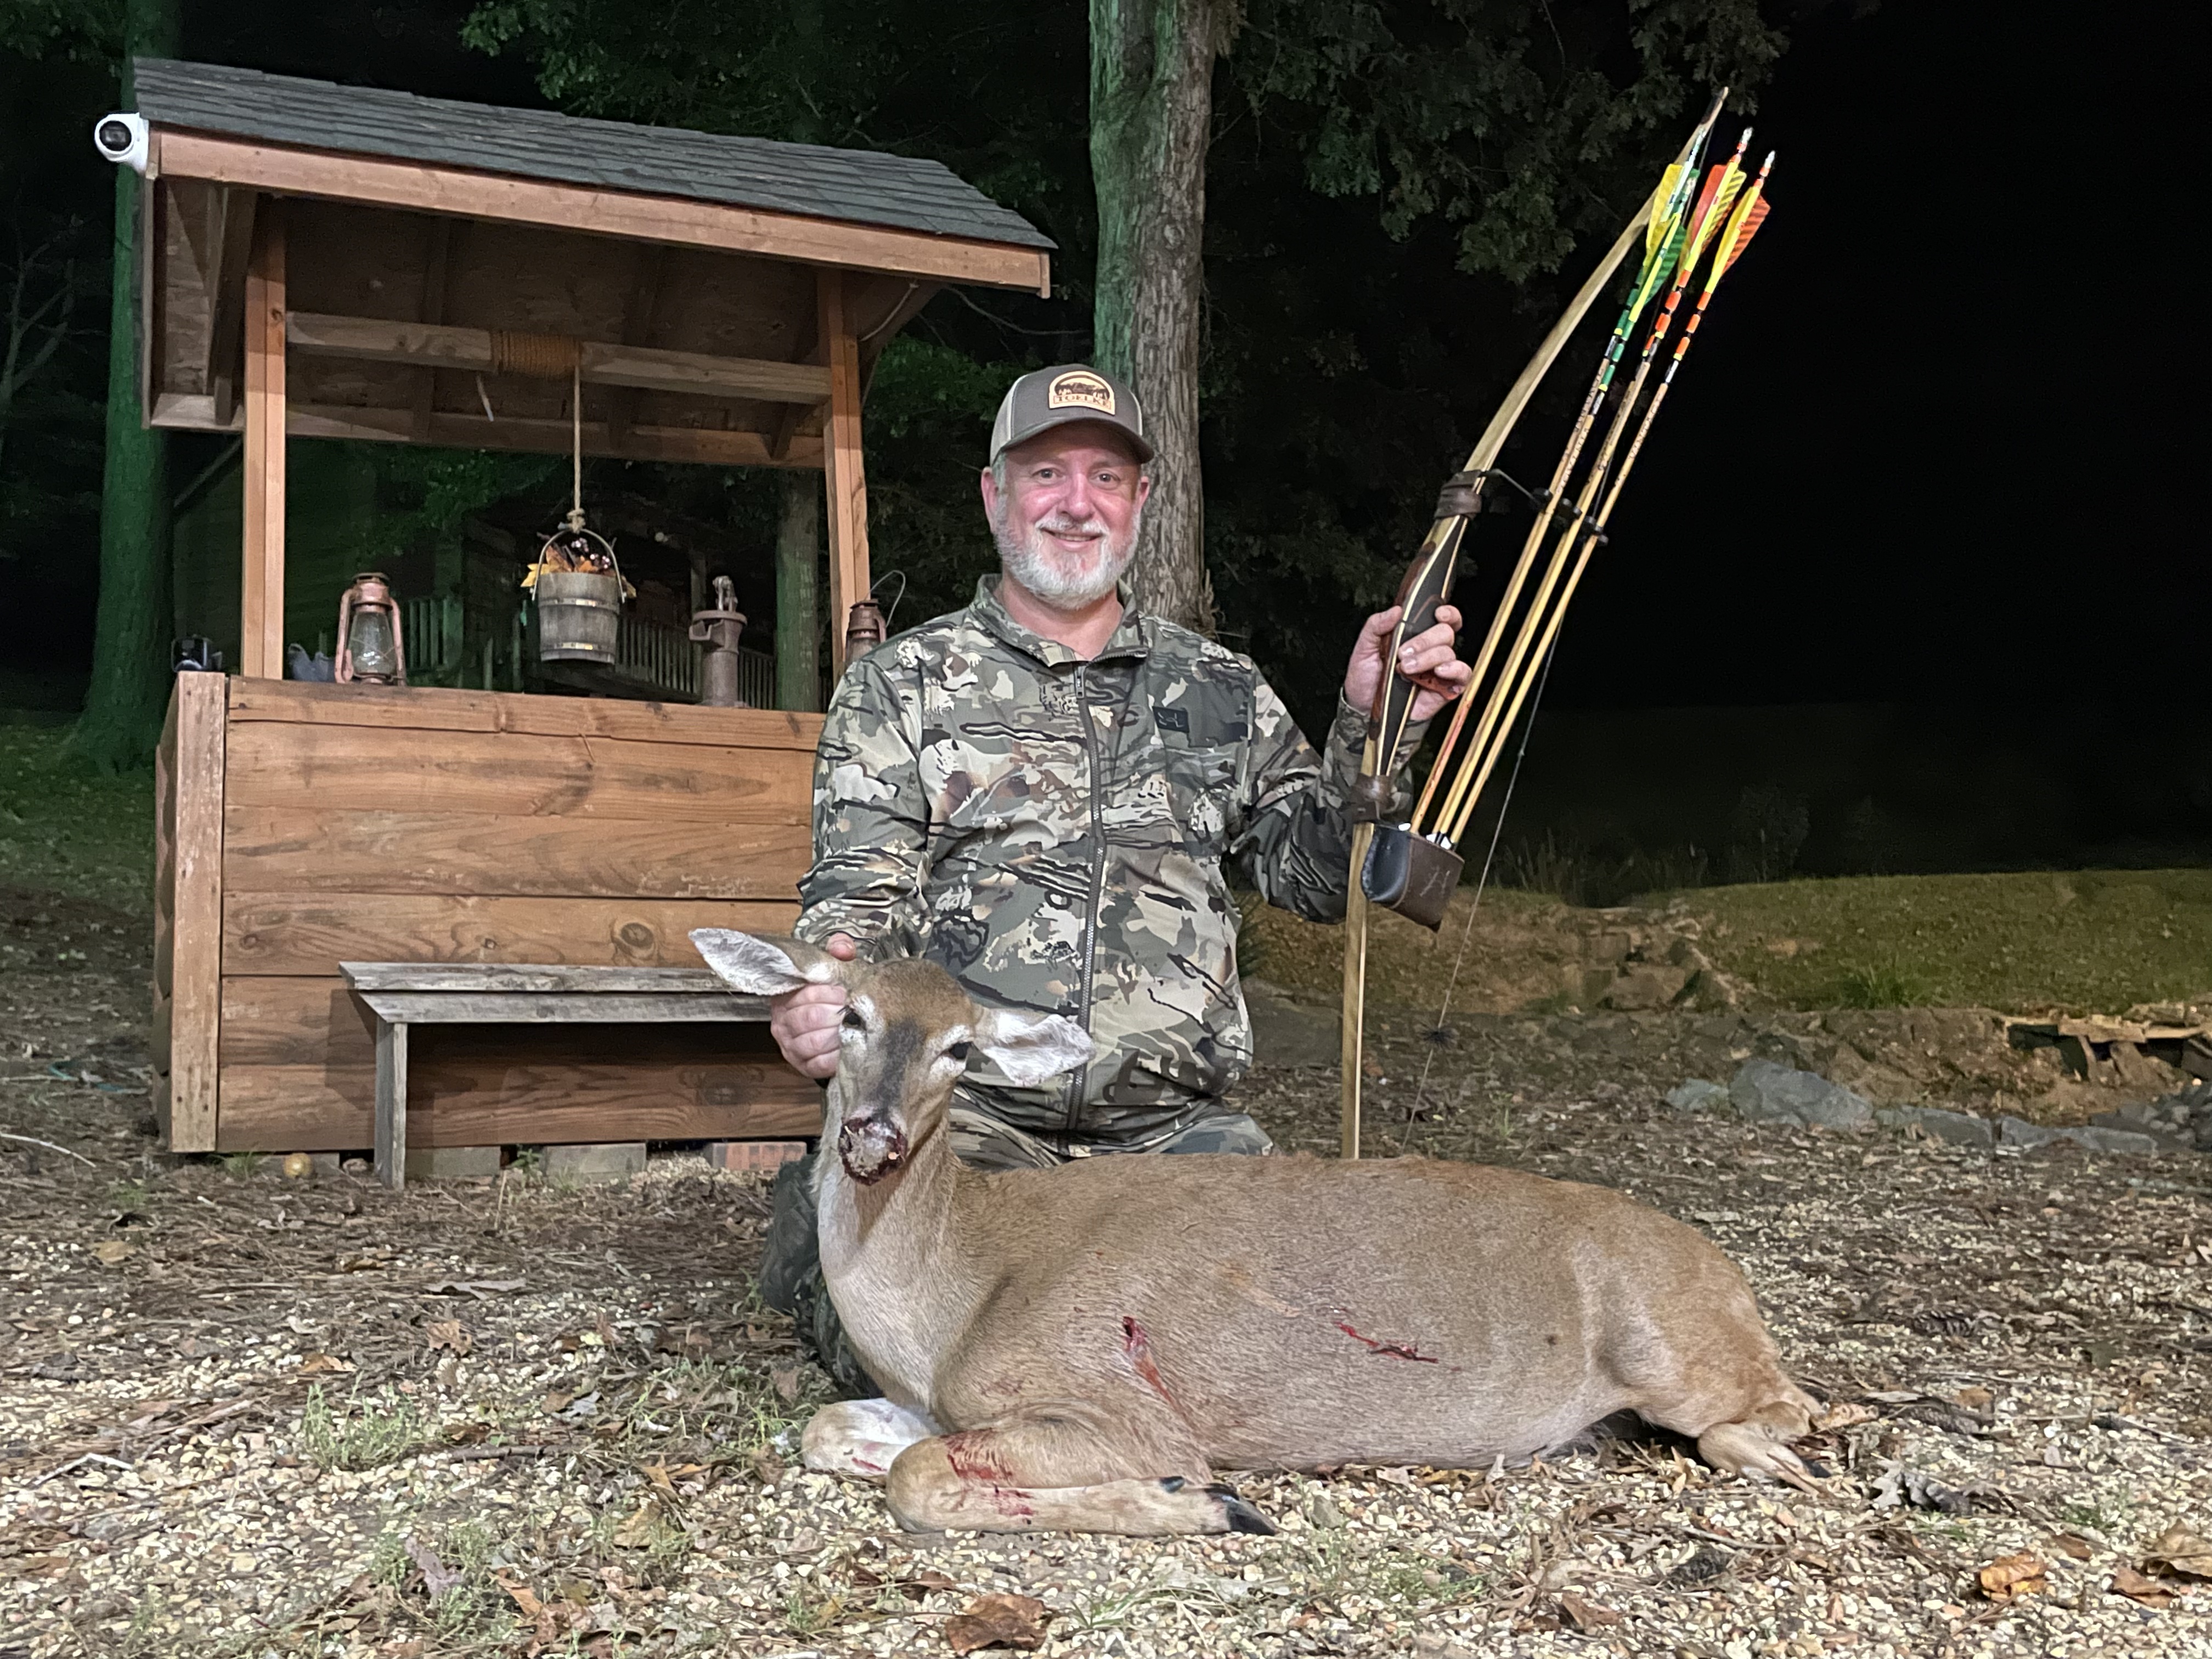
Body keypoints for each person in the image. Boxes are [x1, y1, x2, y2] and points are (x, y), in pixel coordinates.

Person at [757, 363, 1468, 1390]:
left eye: (1106, 477)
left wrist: (1373, 723)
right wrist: (822, 1000)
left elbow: (1314, 877)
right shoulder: (901, 684)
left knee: (1287, 1341)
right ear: (995, 494)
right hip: (967, 1125)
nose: (1076, 503)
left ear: (1141, 499)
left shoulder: (1220, 689)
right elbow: (859, 899)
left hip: (1179, 1137)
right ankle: (827, 1235)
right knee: (941, 1356)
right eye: (1046, 473)